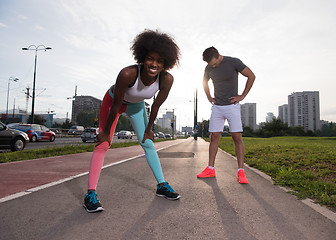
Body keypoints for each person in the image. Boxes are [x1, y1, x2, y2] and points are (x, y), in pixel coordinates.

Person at [83, 29, 181, 213]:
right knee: (103, 144)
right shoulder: (127, 74)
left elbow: (156, 106)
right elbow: (116, 105)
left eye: (160, 61)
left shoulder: (166, 79)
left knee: (148, 143)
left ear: (165, 63)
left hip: (137, 107)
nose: (154, 64)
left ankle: (161, 185)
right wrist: (104, 131)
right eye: (151, 58)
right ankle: (90, 194)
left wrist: (149, 129)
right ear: (143, 57)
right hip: (113, 102)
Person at [197, 47, 255, 184]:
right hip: (217, 107)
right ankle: (210, 169)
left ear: (218, 56)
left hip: (232, 106)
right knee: (214, 137)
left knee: (236, 137)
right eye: (211, 65)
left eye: (214, 64)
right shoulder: (208, 68)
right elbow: (204, 82)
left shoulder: (233, 62)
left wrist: (243, 96)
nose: (213, 66)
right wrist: (209, 96)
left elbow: (251, 76)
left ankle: (241, 171)